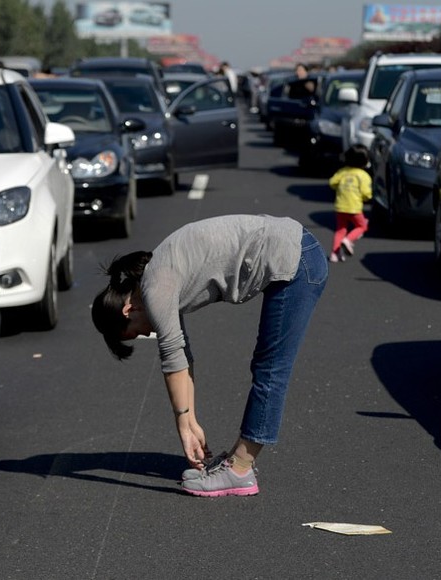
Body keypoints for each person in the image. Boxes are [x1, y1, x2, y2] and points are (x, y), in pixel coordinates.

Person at [92, 214, 328, 497]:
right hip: (297, 252)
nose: (146, 335)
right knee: (267, 365)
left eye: (136, 333)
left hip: (297, 261)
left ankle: (240, 468)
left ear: (127, 312)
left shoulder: (155, 287)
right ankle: (238, 463)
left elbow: (172, 358)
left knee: (271, 369)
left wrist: (182, 425)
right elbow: (183, 355)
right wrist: (191, 424)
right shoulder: (156, 279)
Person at [328, 144, 372, 262]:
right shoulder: (363, 175)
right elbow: (366, 193)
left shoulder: (343, 172)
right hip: (354, 208)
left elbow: (332, 182)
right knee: (362, 226)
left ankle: (334, 254)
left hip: (340, 206)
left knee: (340, 229)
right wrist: (366, 198)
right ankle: (348, 240)